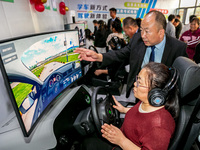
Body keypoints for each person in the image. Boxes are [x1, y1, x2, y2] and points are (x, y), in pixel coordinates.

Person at [75, 10, 188, 98]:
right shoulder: (137, 39)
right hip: (139, 93)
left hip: (162, 96)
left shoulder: (178, 48)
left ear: (161, 32)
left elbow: (181, 80)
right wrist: (98, 56)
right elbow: (121, 54)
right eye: (141, 30)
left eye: (147, 31)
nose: (142, 35)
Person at [81, 62, 179, 150]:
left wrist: (121, 141)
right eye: (137, 79)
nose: (135, 84)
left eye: (140, 83)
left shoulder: (159, 127)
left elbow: (149, 123)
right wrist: (124, 110)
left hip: (123, 144)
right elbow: (143, 117)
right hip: (122, 138)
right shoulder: (146, 102)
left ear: (155, 94)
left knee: (87, 144)